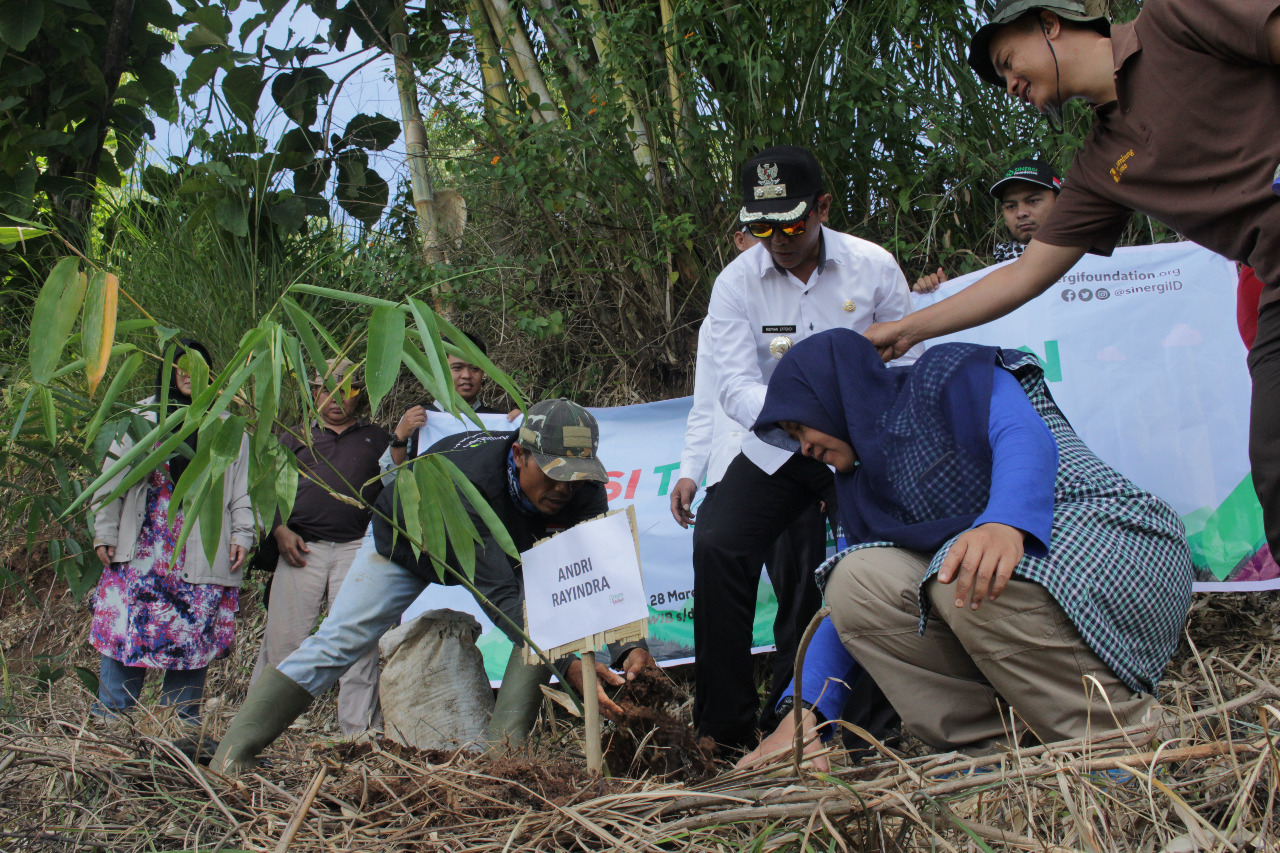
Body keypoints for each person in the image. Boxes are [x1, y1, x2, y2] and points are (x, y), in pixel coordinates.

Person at [867, 0, 1280, 560]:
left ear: (1051, 24)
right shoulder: (1100, 165)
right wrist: (909, 329)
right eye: (1002, 79)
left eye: (1010, 61)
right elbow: (1027, 273)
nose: (1010, 83)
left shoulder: (1175, 19)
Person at [738, 329, 1192, 768]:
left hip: (1103, 539)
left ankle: (1118, 741)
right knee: (853, 579)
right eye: (793, 438)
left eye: (802, 426)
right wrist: (801, 717)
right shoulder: (862, 489)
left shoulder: (944, 375)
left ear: (832, 393)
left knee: (959, 567)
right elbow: (843, 617)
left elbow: (1022, 435)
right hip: (1012, 575)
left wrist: (1004, 522)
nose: (804, 448)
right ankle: (994, 758)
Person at [210, 398, 656, 773]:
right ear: (520, 454)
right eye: (554, 472)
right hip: (411, 537)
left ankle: (506, 769)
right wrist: (569, 665)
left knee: (544, 626)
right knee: (340, 640)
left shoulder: (583, 486)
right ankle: (234, 754)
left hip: (505, 547)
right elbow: (503, 599)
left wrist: (630, 647)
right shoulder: (470, 481)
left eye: (576, 474)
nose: (565, 487)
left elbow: (597, 574)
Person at [692, 144, 920, 751]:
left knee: (870, 562)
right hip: (782, 446)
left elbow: (912, 360)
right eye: (761, 227)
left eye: (791, 223)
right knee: (717, 542)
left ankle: (866, 725)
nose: (778, 239)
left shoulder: (872, 266)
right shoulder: (735, 283)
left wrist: (859, 433)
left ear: (822, 207)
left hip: (863, 448)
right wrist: (799, 427)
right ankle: (725, 726)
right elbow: (734, 385)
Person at [671, 226, 830, 733]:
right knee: (721, 594)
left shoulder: (815, 298)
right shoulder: (725, 307)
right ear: (738, 242)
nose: (761, 244)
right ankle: (725, 731)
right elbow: (704, 405)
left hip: (795, 464)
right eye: (749, 234)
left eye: (780, 231)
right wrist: (690, 471)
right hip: (730, 472)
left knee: (802, 597)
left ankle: (794, 714)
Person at [90, 340, 253, 724]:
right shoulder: (142, 417)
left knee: (191, 637)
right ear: (167, 369)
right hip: (142, 548)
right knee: (126, 633)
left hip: (202, 546)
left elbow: (241, 491)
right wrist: (106, 530)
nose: (187, 374)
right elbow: (110, 479)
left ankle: (178, 736)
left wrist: (242, 534)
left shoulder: (229, 426)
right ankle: (111, 729)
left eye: (197, 366)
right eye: (180, 365)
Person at [250, 359, 390, 735]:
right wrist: (279, 531)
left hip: (357, 552)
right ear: (314, 393)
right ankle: (264, 731)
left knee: (358, 644)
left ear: (359, 394)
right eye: (327, 388)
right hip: (301, 550)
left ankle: (359, 733)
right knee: (284, 642)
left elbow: (394, 489)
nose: (336, 398)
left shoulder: (376, 439)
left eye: (347, 389)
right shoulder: (293, 437)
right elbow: (268, 493)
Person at [914, 158, 1062, 293]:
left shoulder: (1083, 255)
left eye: (1033, 201)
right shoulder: (990, 278)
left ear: (1061, 202)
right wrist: (943, 293)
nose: (1021, 213)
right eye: (1011, 206)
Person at [389, 331, 506, 466]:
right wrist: (400, 437)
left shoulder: (500, 423)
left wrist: (520, 427)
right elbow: (388, 479)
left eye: (475, 368)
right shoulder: (416, 418)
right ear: (441, 370)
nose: (466, 375)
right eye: (457, 368)